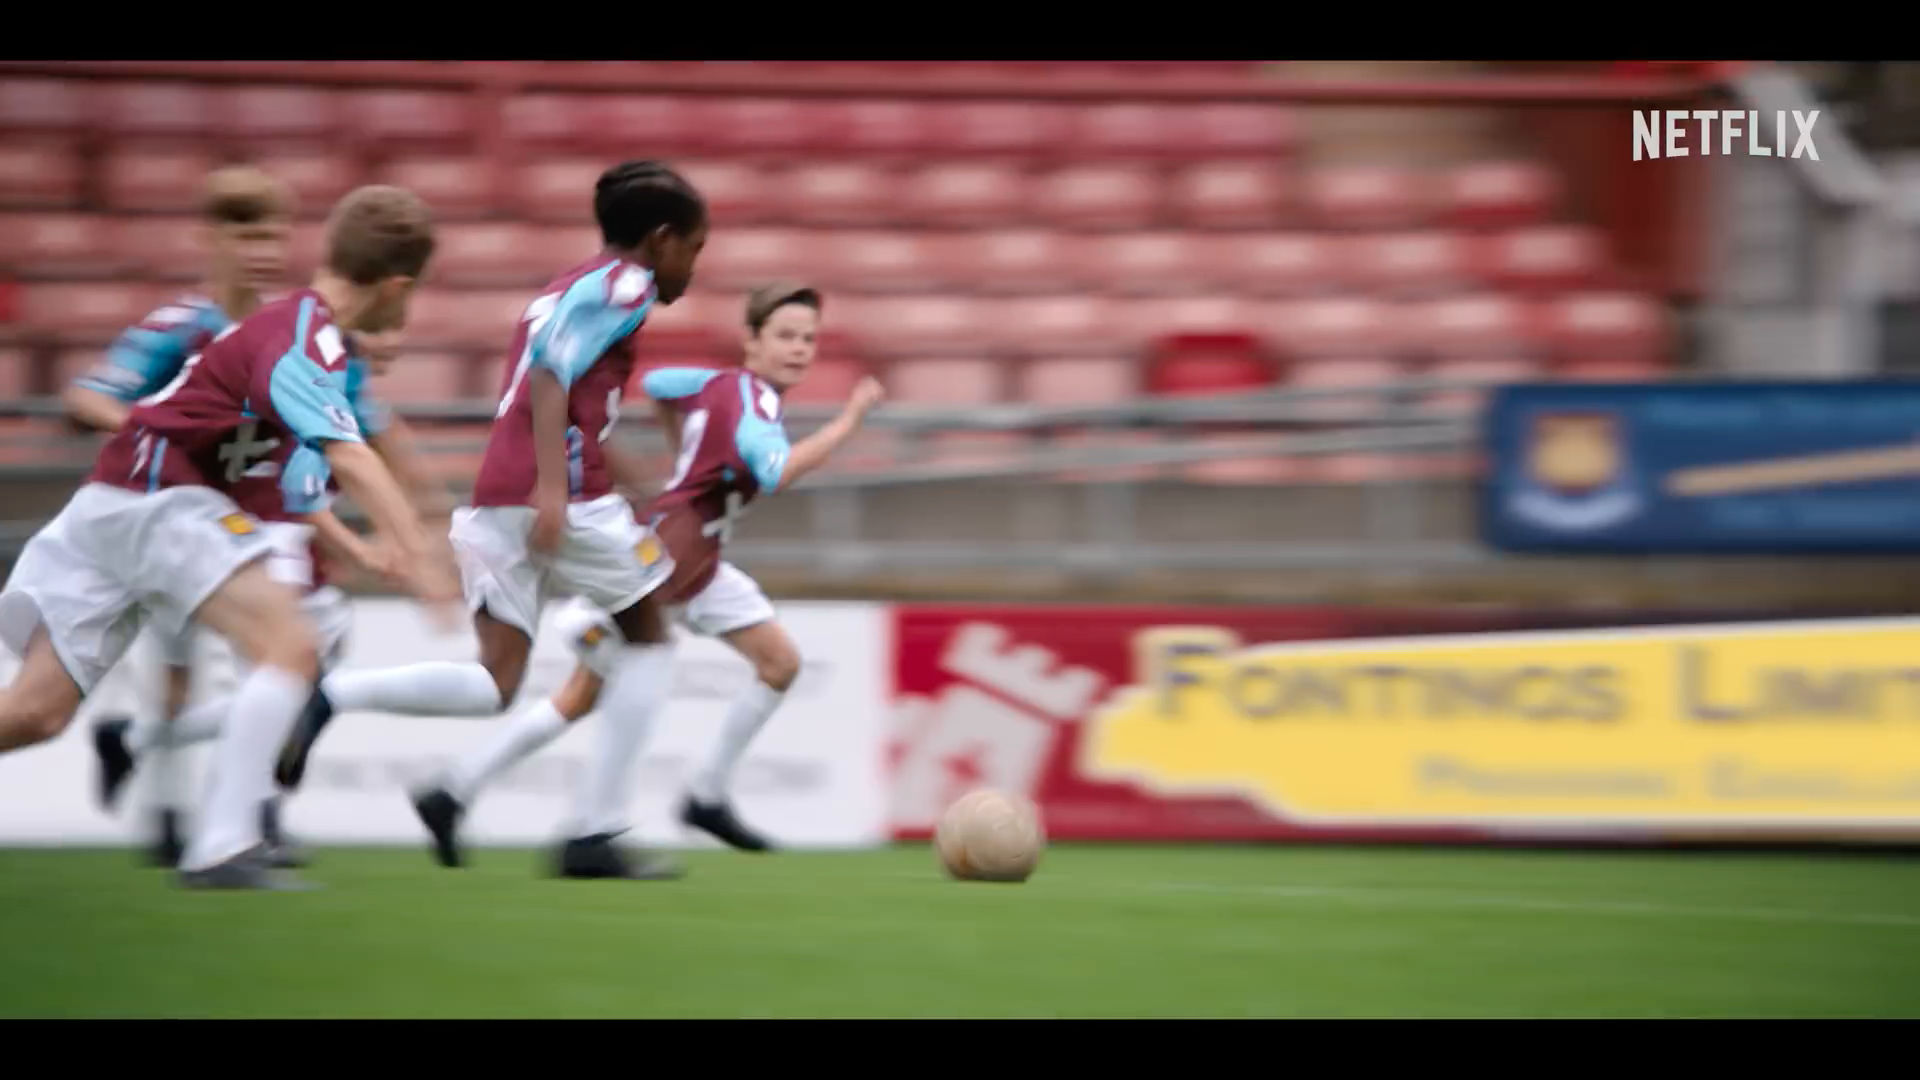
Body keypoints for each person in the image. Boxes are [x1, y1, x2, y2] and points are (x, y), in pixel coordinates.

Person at [0, 184, 459, 890]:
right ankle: (224, 844)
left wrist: (360, 546)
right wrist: (423, 554)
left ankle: (224, 834)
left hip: (113, 504)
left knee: (35, 713)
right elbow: (351, 453)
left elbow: (287, 478)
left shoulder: (292, 332)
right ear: (400, 286)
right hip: (161, 503)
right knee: (292, 646)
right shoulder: (306, 340)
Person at [273, 160, 707, 880]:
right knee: (653, 636)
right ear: (661, 239)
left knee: (496, 682)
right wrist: (552, 488)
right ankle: (594, 832)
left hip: (497, 497)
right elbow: (548, 377)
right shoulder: (625, 288)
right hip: (558, 495)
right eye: (693, 247)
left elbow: (568, 392)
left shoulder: (570, 285)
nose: (691, 265)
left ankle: (333, 695)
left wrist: (629, 480)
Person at [87, 327, 449, 870]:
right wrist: (375, 548)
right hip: (236, 534)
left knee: (278, 673)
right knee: (279, 671)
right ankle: (238, 818)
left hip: (225, 529)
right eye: (383, 328)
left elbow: (348, 461)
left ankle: (163, 762)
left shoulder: (332, 375)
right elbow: (302, 484)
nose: (393, 341)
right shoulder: (310, 370)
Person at [63, 165, 293, 867]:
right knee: (179, 672)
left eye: (271, 235)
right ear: (211, 240)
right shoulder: (180, 326)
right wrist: (153, 429)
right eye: (243, 233)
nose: (260, 249)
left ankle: (250, 814)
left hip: (247, 521)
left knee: (274, 660)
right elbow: (88, 397)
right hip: (169, 519)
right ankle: (170, 815)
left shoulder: (287, 330)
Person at [650, 283, 884, 851]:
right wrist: (849, 421)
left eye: (808, 338)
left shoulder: (721, 386)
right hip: (666, 558)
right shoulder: (755, 402)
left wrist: (684, 450)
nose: (800, 349)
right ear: (750, 340)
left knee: (779, 663)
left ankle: (705, 795)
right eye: (784, 336)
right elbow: (776, 472)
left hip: (696, 556)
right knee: (576, 693)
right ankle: (456, 790)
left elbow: (658, 386)